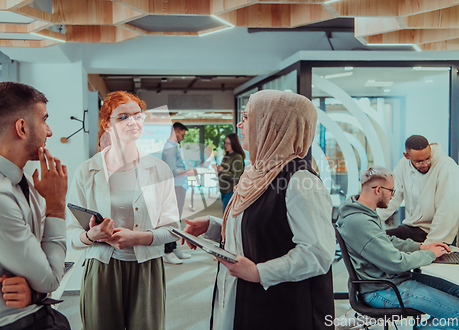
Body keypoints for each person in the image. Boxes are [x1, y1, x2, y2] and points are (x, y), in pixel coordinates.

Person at [183, 90, 336, 330]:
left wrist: (259, 272)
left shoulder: (300, 181)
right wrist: (214, 227)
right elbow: (260, 226)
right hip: (239, 294)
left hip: (279, 307)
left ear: (271, 124)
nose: (239, 124)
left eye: (246, 117)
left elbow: (318, 254)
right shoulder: (256, 172)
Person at [0, 82, 69, 330]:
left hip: (35, 312)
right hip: (8, 324)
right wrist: (56, 205)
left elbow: (41, 264)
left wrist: (35, 293)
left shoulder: (23, 179)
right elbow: (50, 278)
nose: (49, 131)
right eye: (44, 120)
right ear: (22, 127)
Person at [66, 91, 180, 330]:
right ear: (107, 124)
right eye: (123, 117)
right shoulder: (87, 171)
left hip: (147, 268)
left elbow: (173, 231)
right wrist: (90, 235)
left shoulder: (159, 170)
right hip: (101, 267)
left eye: (138, 116)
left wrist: (138, 238)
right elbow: (71, 234)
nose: (132, 122)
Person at [337, 166, 459, 329]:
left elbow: (388, 241)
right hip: (381, 290)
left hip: (390, 281)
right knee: (456, 313)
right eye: (392, 191)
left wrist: (422, 248)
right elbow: (396, 262)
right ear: (378, 190)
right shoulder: (360, 222)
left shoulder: (364, 214)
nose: (394, 196)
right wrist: (430, 254)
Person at [378, 135, 459, 244]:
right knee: (377, 239)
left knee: (381, 242)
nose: (425, 164)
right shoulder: (403, 165)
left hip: (435, 232)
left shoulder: (447, 167)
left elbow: (448, 211)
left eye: (428, 159)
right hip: (414, 227)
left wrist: (430, 245)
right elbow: (390, 198)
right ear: (407, 156)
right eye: (419, 161)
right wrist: (371, 222)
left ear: (430, 149)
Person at [161, 121, 195, 264]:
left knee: (176, 219)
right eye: (182, 134)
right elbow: (172, 171)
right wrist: (189, 172)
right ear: (176, 132)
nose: (183, 137)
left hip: (178, 186)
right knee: (172, 219)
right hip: (174, 187)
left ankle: (173, 248)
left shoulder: (173, 147)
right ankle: (168, 251)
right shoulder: (170, 148)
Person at [213, 133, 245, 213]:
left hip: (230, 190)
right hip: (224, 189)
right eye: (225, 143)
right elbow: (224, 170)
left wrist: (221, 170)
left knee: (227, 214)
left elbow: (235, 176)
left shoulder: (238, 157)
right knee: (225, 214)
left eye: (228, 143)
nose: (225, 145)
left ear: (234, 144)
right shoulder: (226, 156)